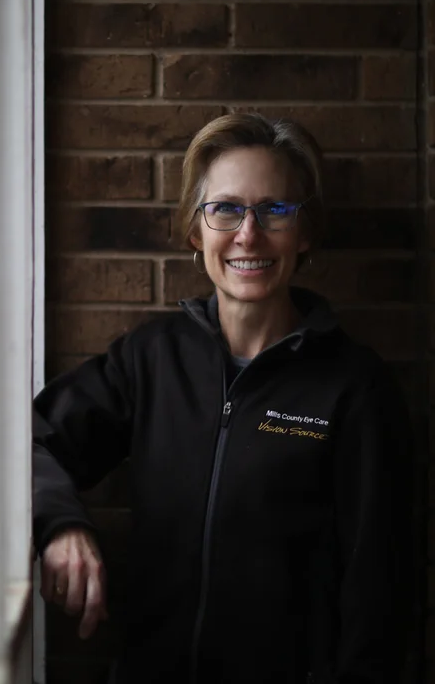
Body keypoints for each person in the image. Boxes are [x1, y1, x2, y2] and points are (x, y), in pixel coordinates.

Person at [33, 113, 412, 684]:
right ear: (196, 231)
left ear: (305, 233)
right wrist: (60, 525)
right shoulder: (150, 359)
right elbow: (32, 443)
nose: (248, 234)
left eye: (275, 210)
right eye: (226, 209)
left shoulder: (355, 387)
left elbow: (378, 592)